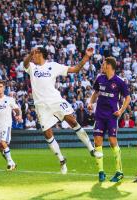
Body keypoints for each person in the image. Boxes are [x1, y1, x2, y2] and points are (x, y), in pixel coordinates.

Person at [23, 47, 102, 175]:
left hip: (55, 101)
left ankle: (91, 149)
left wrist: (86, 57)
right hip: (41, 106)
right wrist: (29, 54)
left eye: (36, 53)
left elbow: (75, 69)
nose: (33, 56)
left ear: (41, 55)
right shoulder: (32, 67)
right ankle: (62, 160)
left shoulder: (53, 66)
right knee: (47, 134)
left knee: (72, 120)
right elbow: (25, 64)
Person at [88, 57, 131, 182]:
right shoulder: (100, 79)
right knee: (97, 141)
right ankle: (101, 172)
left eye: (103, 64)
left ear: (109, 66)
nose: (102, 65)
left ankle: (119, 172)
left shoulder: (119, 82)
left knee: (112, 141)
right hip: (99, 115)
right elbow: (95, 93)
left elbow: (127, 98)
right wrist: (91, 102)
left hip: (112, 116)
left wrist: (121, 111)